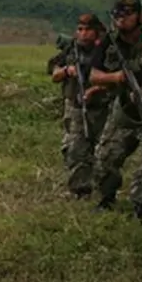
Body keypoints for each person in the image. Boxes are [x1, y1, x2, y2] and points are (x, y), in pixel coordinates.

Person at [89, 0, 142, 220]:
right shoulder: (110, 41)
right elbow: (94, 75)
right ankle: (106, 198)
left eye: (127, 14)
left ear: (140, 16)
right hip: (124, 107)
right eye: (117, 15)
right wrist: (117, 77)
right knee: (105, 156)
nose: (121, 20)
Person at [50, 13, 111, 198]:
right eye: (80, 30)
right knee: (75, 149)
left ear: (97, 32)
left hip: (102, 107)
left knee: (104, 150)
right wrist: (68, 71)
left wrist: (95, 89)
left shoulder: (106, 51)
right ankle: (80, 191)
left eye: (88, 30)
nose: (83, 34)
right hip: (75, 106)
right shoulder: (71, 50)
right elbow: (54, 73)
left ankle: (105, 190)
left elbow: (116, 78)